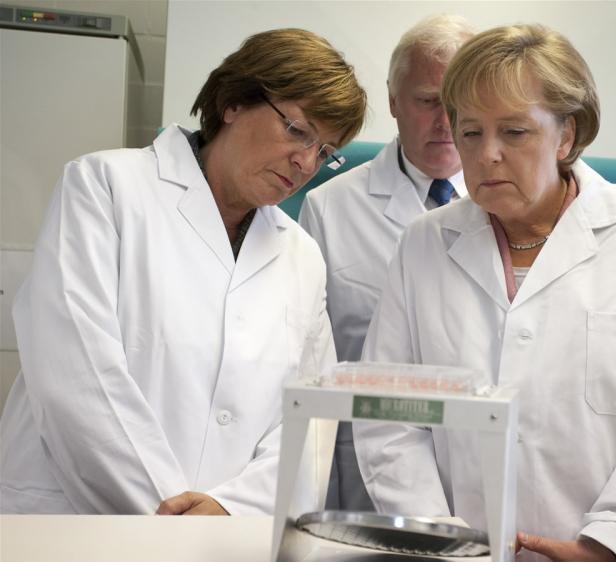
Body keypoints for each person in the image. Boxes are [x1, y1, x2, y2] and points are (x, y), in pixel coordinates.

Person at [353, 24, 616, 562]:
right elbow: (389, 414)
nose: (486, 156)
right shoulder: (425, 244)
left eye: (514, 132)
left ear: (567, 135)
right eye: (471, 131)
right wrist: (437, 537)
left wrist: (613, 543)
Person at [0, 28, 366, 515]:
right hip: (81, 518)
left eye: (325, 151)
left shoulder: (302, 255)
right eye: (297, 130)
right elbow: (74, 371)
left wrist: (230, 508)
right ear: (233, 102)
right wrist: (170, 517)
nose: (305, 162)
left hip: (227, 531)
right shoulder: (105, 187)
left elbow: (313, 415)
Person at [298, 14, 475, 511]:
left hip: (477, 462)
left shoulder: (504, 206)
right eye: (426, 101)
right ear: (394, 102)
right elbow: (312, 365)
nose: (446, 122)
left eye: (459, 103)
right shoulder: (329, 208)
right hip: (366, 475)